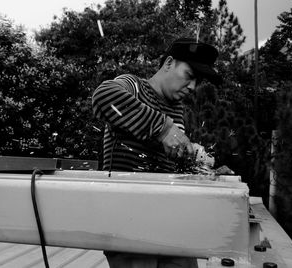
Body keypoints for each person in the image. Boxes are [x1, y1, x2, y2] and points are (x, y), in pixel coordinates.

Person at [92, 37, 222, 268]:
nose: (193, 87)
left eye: (197, 81)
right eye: (190, 76)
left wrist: (201, 167)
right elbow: (103, 97)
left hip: (169, 219)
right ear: (169, 63)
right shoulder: (133, 85)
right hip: (126, 221)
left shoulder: (177, 110)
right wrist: (163, 129)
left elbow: (169, 163)